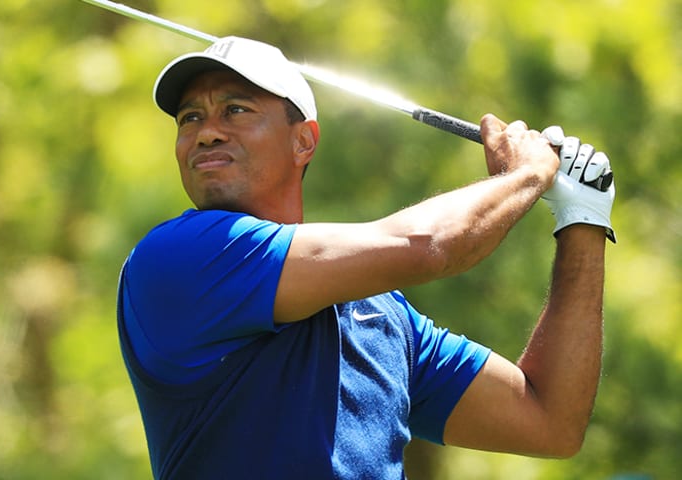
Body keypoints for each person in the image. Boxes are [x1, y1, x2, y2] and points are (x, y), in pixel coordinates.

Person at [116, 36, 616, 479]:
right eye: (190, 118)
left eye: (236, 110)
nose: (207, 132)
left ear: (303, 141)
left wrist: (584, 221)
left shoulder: (384, 317)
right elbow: (432, 244)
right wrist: (528, 175)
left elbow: (550, 420)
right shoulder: (179, 257)